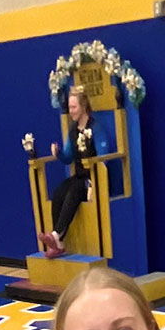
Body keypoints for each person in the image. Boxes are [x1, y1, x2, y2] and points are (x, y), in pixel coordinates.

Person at [41, 86, 107, 257]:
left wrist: (94, 181)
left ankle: (56, 235)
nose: (70, 111)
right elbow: (68, 157)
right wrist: (58, 153)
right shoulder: (72, 129)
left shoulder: (95, 128)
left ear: (83, 106)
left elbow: (104, 157)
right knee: (59, 192)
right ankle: (58, 241)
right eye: (69, 107)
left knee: (75, 190)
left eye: (73, 107)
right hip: (79, 175)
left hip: (93, 178)